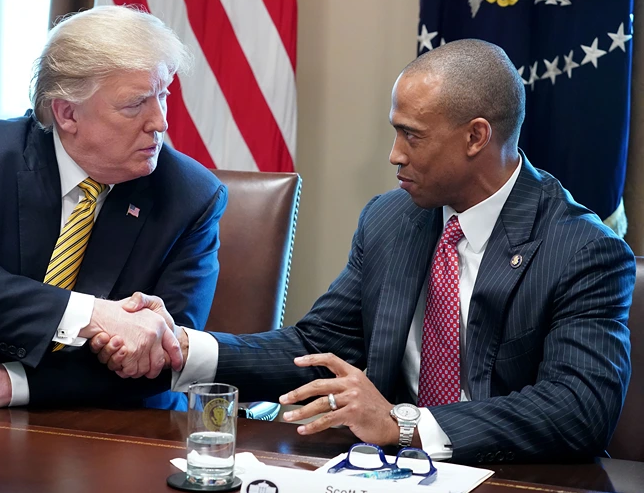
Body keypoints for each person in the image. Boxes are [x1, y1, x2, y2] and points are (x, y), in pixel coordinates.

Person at [106, 39, 635, 463]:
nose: (394, 155)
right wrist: (181, 347)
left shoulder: (583, 250)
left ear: (476, 137)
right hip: (384, 478)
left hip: (512, 480)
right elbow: (317, 348)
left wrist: (404, 425)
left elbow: (579, 409)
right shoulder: (391, 219)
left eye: (412, 136)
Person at [0, 5, 227, 412]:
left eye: (162, 94)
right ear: (67, 113)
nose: (159, 122)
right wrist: (92, 315)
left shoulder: (190, 196)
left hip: (117, 427)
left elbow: (168, 356)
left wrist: (12, 383)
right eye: (135, 104)